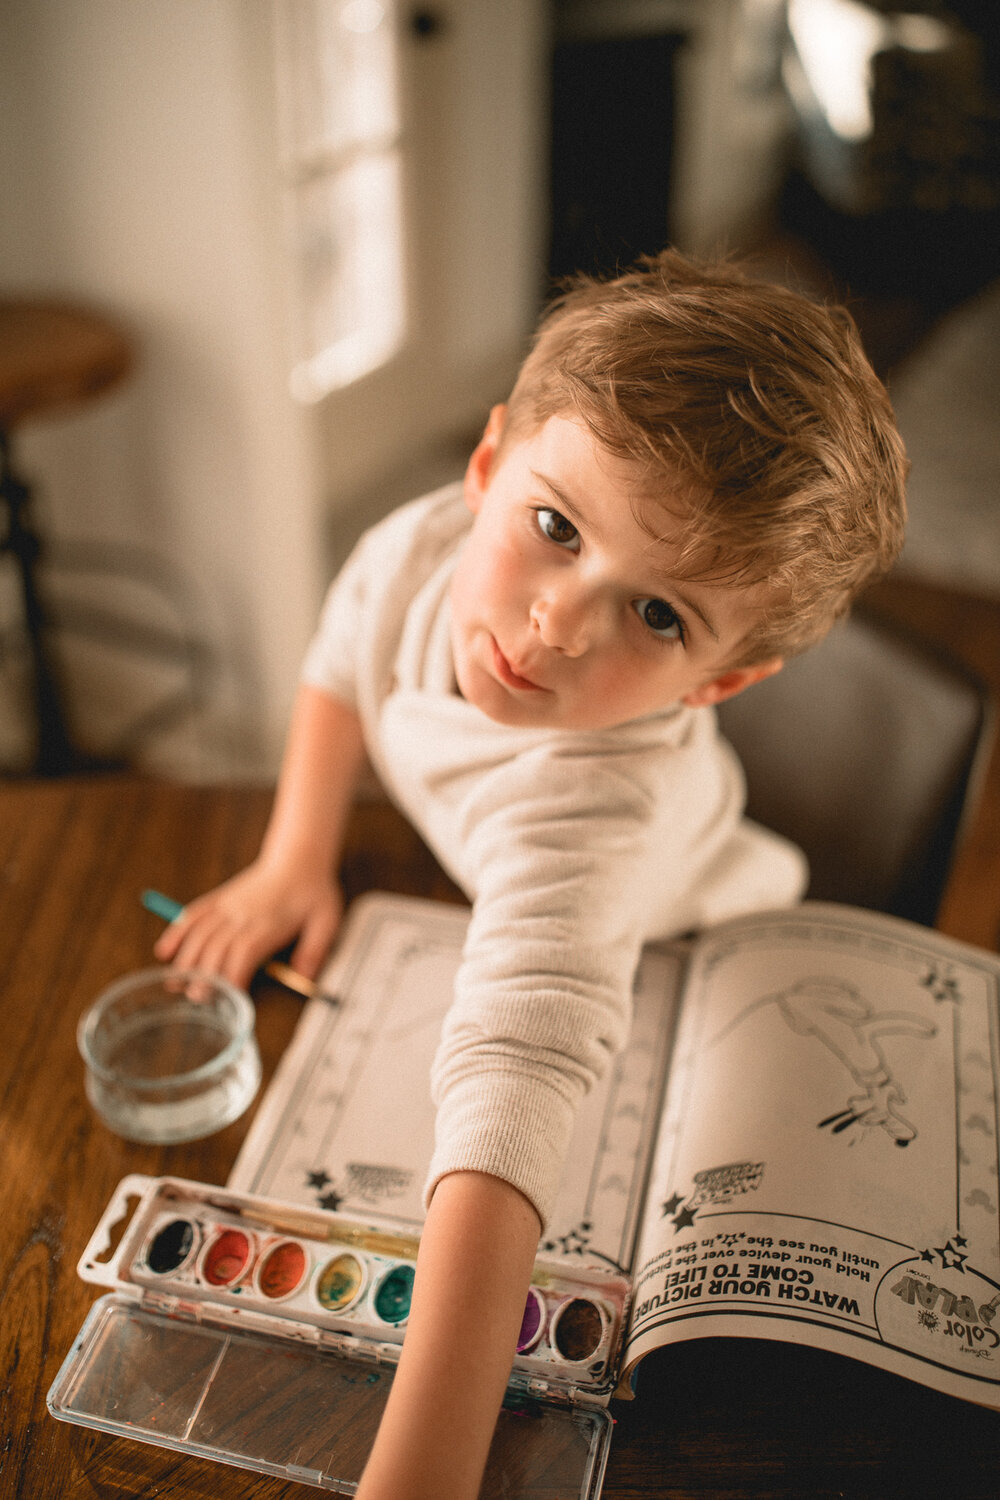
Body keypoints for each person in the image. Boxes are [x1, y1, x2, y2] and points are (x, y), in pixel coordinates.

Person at [155, 249, 907, 1499]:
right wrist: (295, 853)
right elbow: (343, 656)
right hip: (481, 874)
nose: (558, 622)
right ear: (489, 465)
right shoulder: (421, 550)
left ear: (718, 684)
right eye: (554, 528)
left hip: (675, 938)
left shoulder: (599, 810)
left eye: (658, 616)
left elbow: (520, 1063)